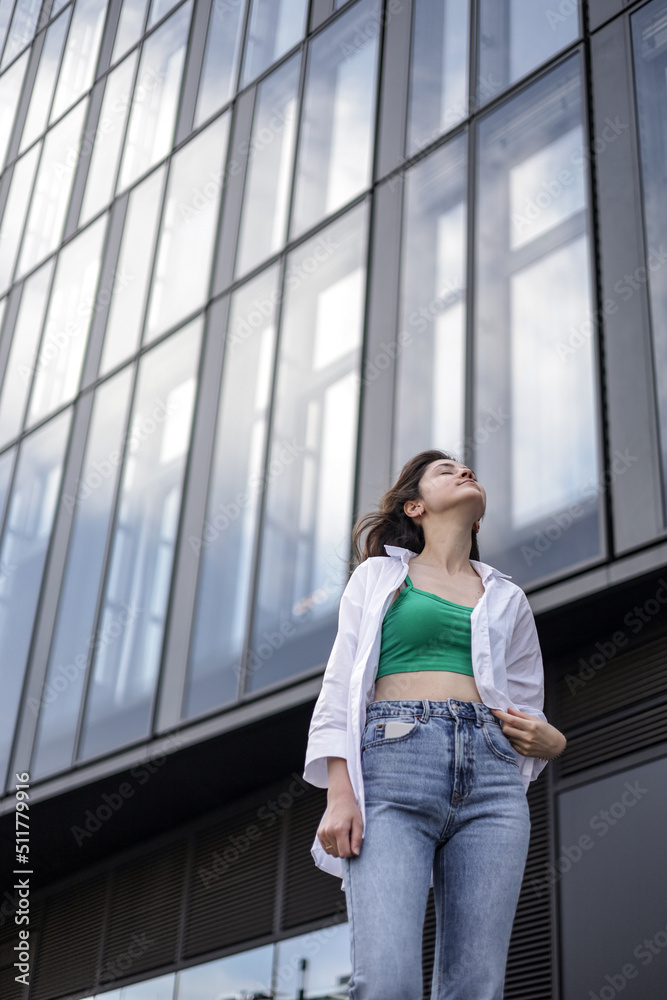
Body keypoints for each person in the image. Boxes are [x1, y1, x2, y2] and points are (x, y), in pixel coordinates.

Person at [302, 449, 567, 1000]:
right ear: (415, 506)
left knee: (477, 985)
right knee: (389, 979)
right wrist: (339, 793)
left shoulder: (508, 597)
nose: (465, 470)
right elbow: (340, 684)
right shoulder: (379, 577)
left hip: (493, 783)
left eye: (468, 467)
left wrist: (553, 740)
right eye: (446, 470)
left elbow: (528, 706)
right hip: (394, 765)